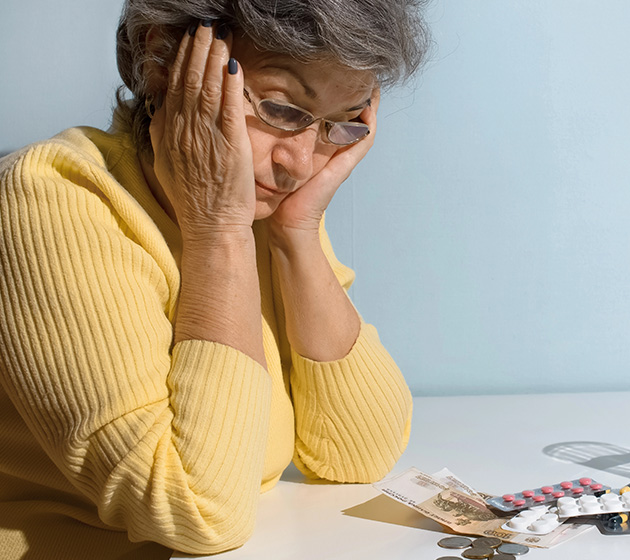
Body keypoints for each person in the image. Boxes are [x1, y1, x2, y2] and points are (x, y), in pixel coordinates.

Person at [0, 1, 430, 558]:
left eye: (340, 123)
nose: (300, 162)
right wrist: (216, 231)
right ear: (162, 56)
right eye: (281, 108)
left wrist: (299, 234)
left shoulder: (269, 209)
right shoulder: (52, 195)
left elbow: (359, 453)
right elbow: (196, 513)